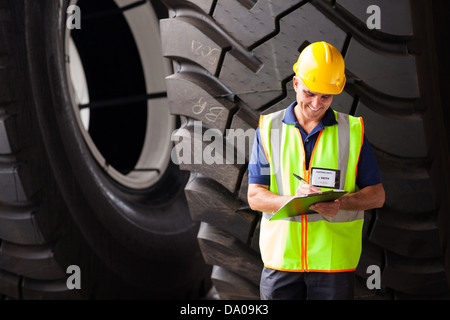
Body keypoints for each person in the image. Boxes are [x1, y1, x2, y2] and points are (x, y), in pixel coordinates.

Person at [247, 41, 385, 300]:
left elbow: (377, 196)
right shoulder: (268, 129)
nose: (316, 103)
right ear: (296, 83)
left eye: (325, 96)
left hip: (333, 265)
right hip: (282, 262)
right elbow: (255, 197)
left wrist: (341, 203)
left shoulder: (353, 131)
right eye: (310, 93)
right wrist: (294, 202)